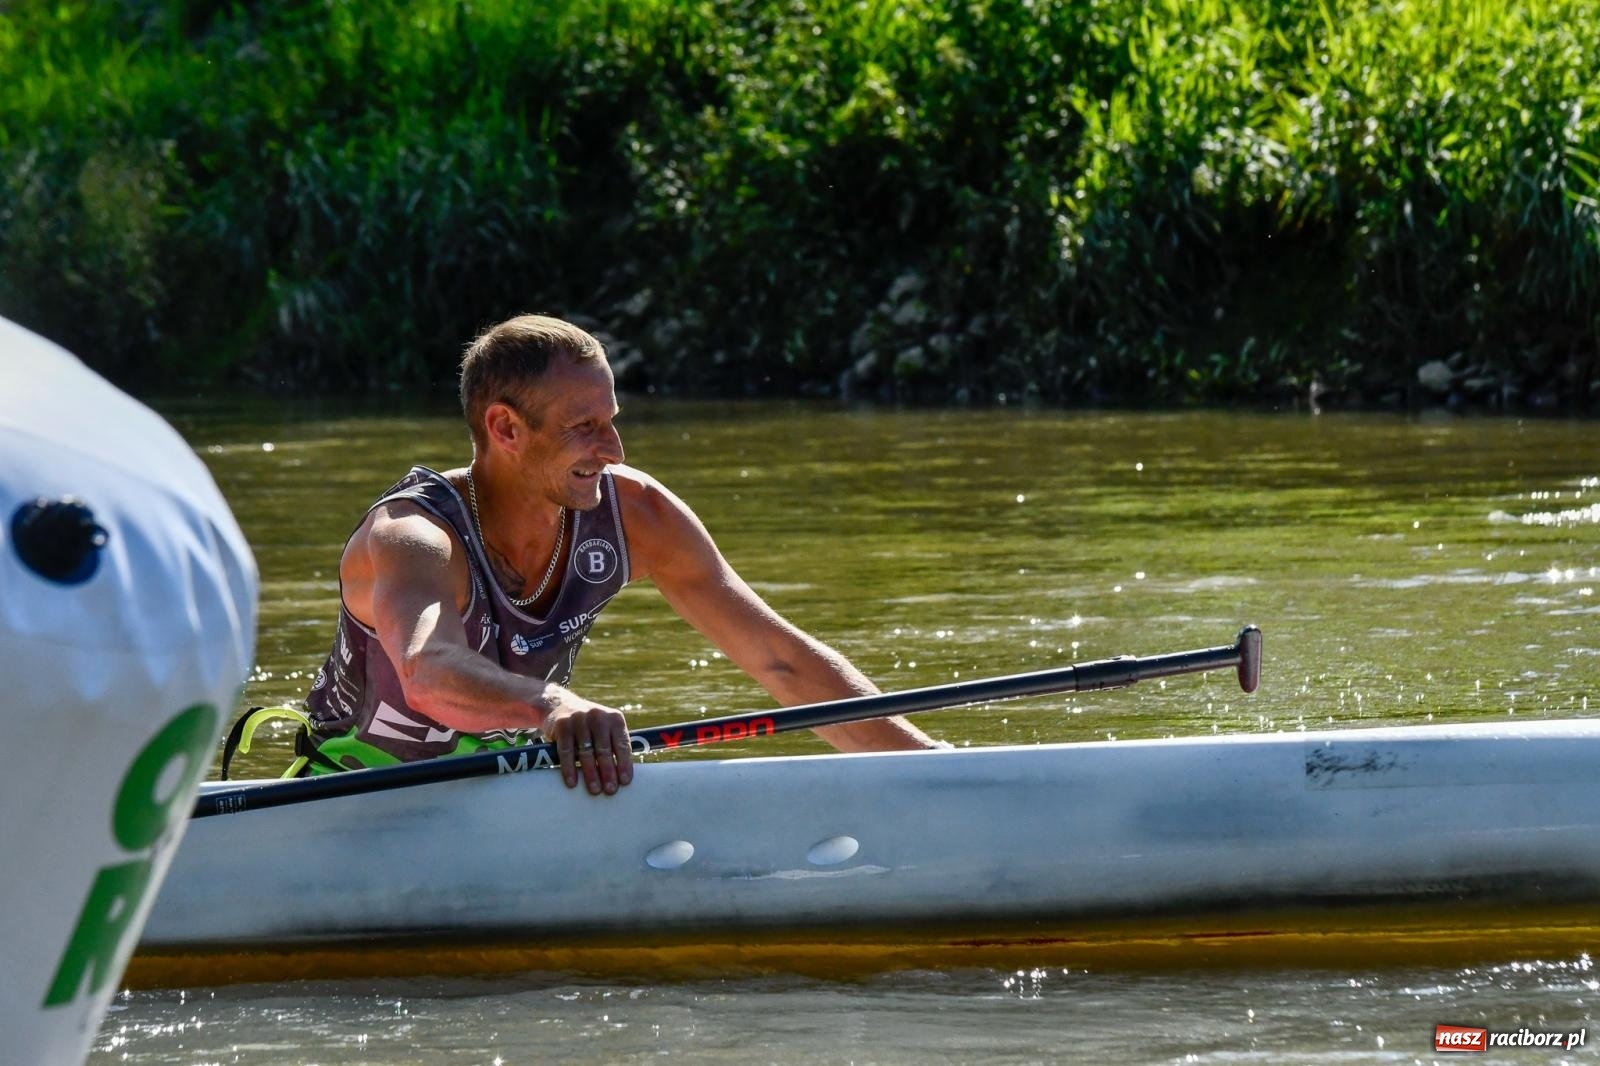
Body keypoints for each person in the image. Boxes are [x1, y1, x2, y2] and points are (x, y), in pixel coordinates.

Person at [288, 314, 942, 794]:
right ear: (505, 428)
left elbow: (780, 659)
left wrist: (936, 769)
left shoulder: (635, 515)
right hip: (350, 799)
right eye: (585, 429)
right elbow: (427, 673)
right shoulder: (413, 536)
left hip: (499, 794)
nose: (615, 451)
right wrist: (552, 705)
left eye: (613, 420)